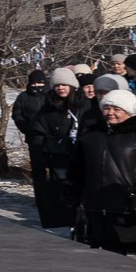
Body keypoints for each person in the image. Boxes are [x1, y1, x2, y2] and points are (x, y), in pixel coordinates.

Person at [70, 89, 136, 262]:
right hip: (99, 209)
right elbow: (77, 169)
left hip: (134, 210)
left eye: (117, 109)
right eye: (107, 108)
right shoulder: (91, 135)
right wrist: (73, 196)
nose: (110, 113)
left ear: (129, 111)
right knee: (109, 264)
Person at [17, 69, 82, 229]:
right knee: (60, 192)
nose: (61, 88)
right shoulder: (47, 108)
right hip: (57, 159)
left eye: (64, 84)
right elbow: (37, 132)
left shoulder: (83, 105)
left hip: (80, 158)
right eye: (58, 85)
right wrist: (45, 151)